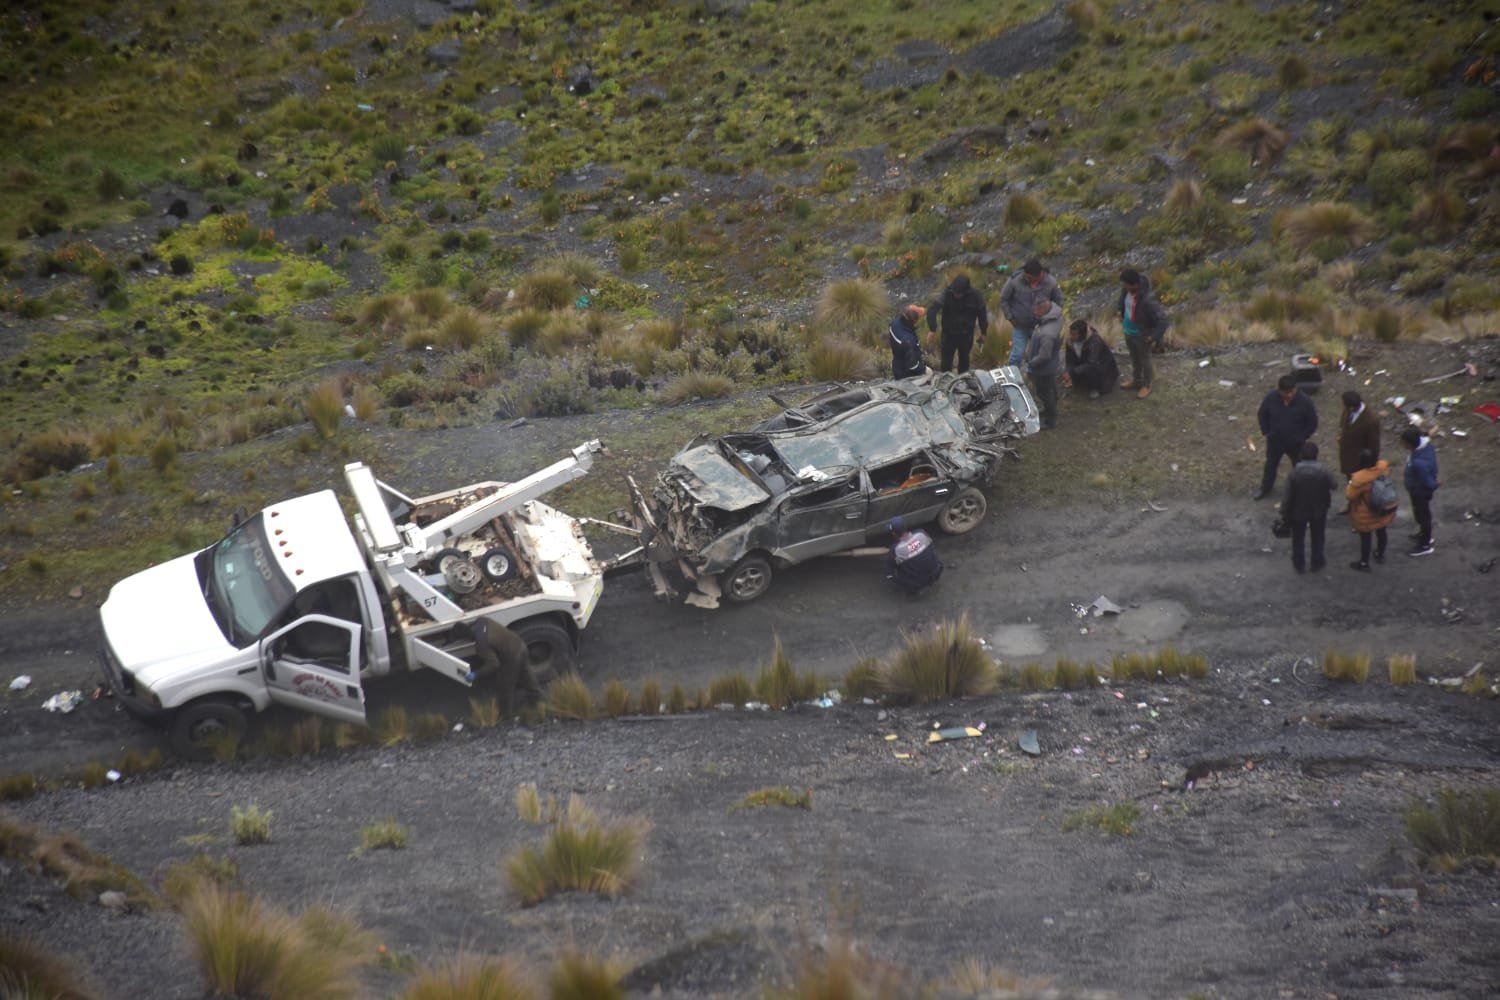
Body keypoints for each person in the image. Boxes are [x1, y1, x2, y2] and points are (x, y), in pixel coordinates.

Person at [1255, 374, 1318, 500]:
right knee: (1270, 465)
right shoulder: (1271, 398)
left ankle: (1302, 491)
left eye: (1292, 392)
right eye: (1286, 392)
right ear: (1279, 390)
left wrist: (1302, 437)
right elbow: (1262, 414)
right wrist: (1266, 431)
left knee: (1300, 467)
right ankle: (1265, 488)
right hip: (1275, 441)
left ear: (1295, 388)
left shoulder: (1305, 401)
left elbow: (1312, 422)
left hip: (1296, 444)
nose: (1289, 395)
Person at [1279, 441, 1339, 574]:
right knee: (1318, 536)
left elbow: (1287, 496)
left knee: (1298, 538)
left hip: (1298, 511)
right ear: (1316, 455)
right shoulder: (1323, 471)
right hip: (1319, 509)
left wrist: (1283, 512)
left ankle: (1299, 564)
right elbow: (1334, 485)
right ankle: (1317, 562)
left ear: (1301, 455)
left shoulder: (1294, 473)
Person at [466, 617, 542, 717]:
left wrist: (476, 674)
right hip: (520, 645)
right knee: (527, 675)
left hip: (512, 658)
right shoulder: (482, 620)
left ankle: (505, 715)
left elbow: (493, 664)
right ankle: (539, 702)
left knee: (505, 687)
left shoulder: (481, 644)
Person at [999, 258, 1063, 368]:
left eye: (1030, 277)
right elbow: (1003, 299)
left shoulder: (1050, 282)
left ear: (1039, 274)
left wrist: (1052, 319)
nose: (1026, 278)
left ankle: (1036, 376)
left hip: (1042, 327)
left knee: (1040, 355)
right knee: (1017, 355)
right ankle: (1011, 376)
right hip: (1020, 325)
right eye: (1026, 275)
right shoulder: (1015, 280)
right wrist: (1010, 317)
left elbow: (1059, 301)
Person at [1117, 269, 1168, 399]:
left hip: (1142, 335)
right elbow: (1123, 303)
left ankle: (1147, 385)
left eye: (1126, 285)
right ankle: (1136, 381)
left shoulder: (1147, 300)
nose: (1124, 287)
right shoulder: (1126, 291)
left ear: (1134, 284)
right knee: (1134, 359)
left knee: (1145, 360)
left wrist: (1153, 337)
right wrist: (1121, 313)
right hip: (1128, 331)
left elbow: (1163, 321)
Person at [926, 273, 988, 374]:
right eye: (954, 292)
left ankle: (963, 379)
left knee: (964, 361)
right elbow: (932, 310)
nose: (955, 294)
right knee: (946, 363)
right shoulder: (947, 293)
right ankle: (945, 379)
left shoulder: (976, 296)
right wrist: (932, 329)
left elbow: (982, 315)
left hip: (966, 335)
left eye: (958, 293)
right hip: (948, 335)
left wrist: (983, 332)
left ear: (966, 291)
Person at [1346, 448, 1396, 571]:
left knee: (1366, 537)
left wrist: (1350, 483)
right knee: (1381, 531)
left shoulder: (1360, 479)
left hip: (1366, 512)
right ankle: (1380, 554)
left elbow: (1350, 495)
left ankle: (1364, 563)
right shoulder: (1383, 468)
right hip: (1383, 507)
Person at [1335, 390, 1381, 512]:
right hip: (1348, 456)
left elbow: (1374, 444)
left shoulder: (1370, 420)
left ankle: (1362, 511)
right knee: (1351, 484)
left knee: (1362, 487)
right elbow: (1344, 425)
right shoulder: (1348, 411)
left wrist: (1370, 464)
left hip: (1360, 461)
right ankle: (1351, 505)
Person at [1021, 298, 1063, 429]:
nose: (1034, 313)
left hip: (1043, 368)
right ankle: (1051, 410)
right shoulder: (1054, 318)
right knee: (1050, 389)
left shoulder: (1047, 333)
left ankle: (1050, 420)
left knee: (1044, 393)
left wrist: (1030, 364)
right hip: (1051, 365)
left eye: (1035, 310)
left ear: (1042, 309)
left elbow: (1044, 356)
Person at [1400, 426, 1439, 556]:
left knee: (1423, 516)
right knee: (1421, 514)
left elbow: (1427, 481)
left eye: (1404, 443)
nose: (1402, 444)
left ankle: (1425, 544)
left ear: (1410, 444)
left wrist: (1434, 485)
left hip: (1420, 492)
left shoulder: (1418, 463)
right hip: (1418, 489)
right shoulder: (1425, 447)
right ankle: (1424, 534)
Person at [1061, 320, 1119, 399]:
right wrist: (1068, 371)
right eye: (1070, 333)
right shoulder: (1070, 342)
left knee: (1091, 369)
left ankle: (1094, 388)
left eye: (1074, 334)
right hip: (1082, 364)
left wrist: (1073, 371)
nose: (1071, 336)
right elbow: (1070, 359)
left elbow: (1092, 363)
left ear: (1082, 334)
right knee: (1077, 372)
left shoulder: (1095, 341)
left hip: (1102, 367)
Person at [886, 516, 942, 595]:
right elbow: (931, 546)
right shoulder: (921, 533)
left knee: (890, 573)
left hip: (919, 582)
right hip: (937, 570)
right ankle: (931, 579)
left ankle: (914, 589)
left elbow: (892, 566)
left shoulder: (896, 549)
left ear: (893, 533)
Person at [888, 303, 926, 379]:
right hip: (908, 375)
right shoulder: (908, 341)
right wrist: (924, 369)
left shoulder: (895, 324)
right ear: (914, 320)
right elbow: (912, 365)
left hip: (897, 366)